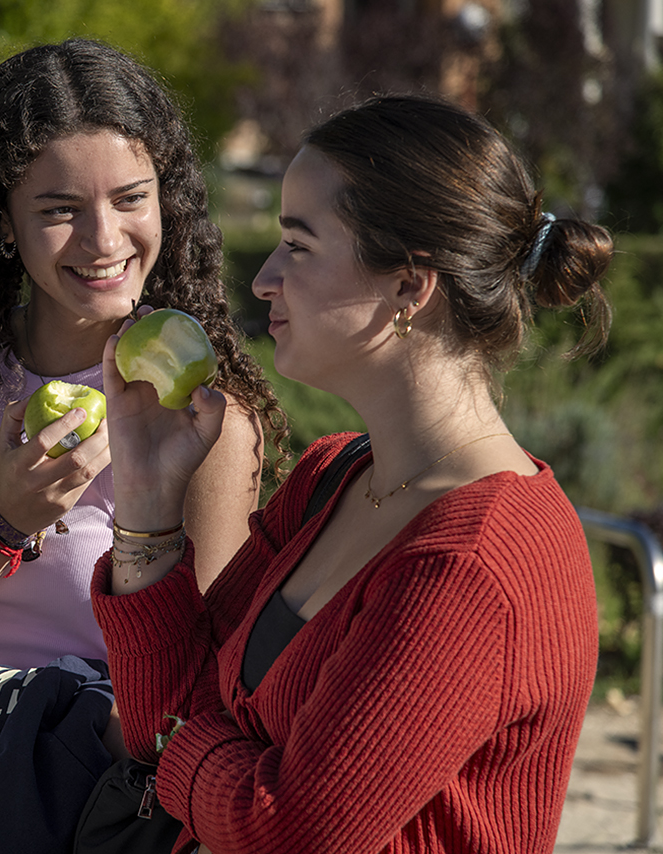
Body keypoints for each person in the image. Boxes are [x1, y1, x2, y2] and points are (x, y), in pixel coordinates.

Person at [92, 93, 613, 853]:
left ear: (410, 285)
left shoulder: (473, 566)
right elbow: (156, 716)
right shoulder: (331, 476)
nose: (265, 278)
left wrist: (187, 747)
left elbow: (287, 829)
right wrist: (145, 499)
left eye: (298, 246)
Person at [0, 39, 284, 800]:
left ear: (167, 201)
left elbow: (202, 699)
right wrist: (3, 521)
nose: (105, 240)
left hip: (88, 815)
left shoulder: (206, 418)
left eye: (130, 198)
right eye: (59, 210)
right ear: (2, 223)